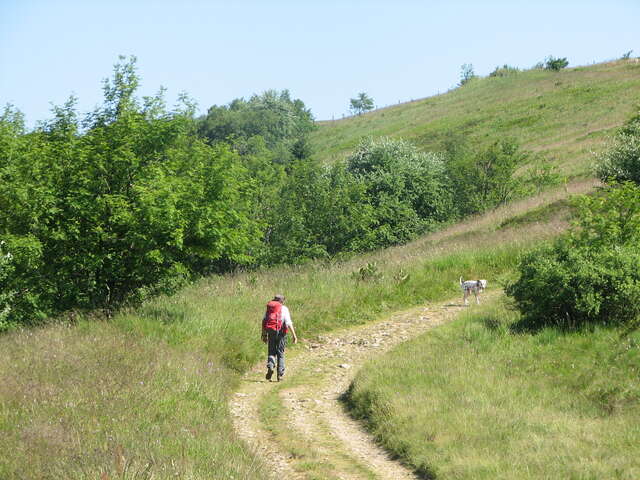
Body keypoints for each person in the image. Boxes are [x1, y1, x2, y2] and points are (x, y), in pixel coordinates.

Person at [262, 294, 298, 381]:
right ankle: (280, 375)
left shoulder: (269, 309)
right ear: (282, 301)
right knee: (280, 353)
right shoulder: (284, 308)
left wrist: (264, 335)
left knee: (271, 351)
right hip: (281, 333)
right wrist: (294, 336)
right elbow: (288, 323)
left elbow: (264, 321)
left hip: (270, 332)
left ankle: (270, 365)